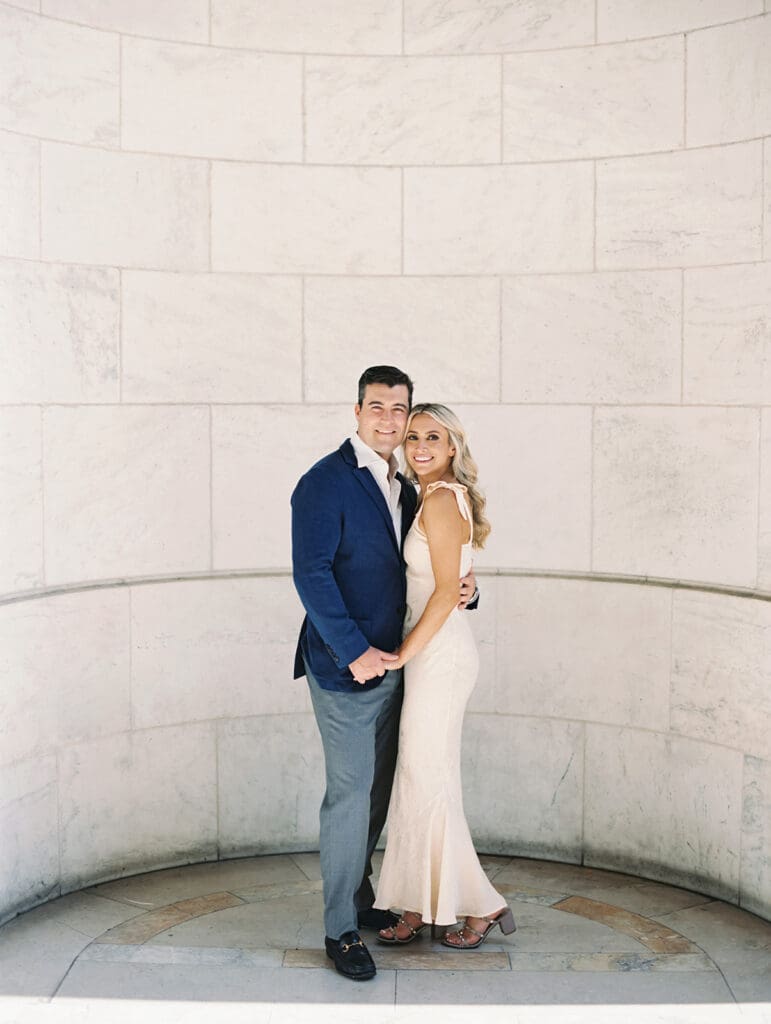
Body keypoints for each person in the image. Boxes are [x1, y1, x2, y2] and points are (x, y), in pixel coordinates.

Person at [291, 368, 477, 981]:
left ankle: (359, 899)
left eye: (401, 410)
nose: (391, 421)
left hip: (405, 662)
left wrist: (464, 592)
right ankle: (339, 929)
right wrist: (353, 651)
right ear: (357, 410)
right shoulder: (323, 483)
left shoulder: (409, 483)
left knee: (376, 793)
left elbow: (426, 570)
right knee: (348, 797)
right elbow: (312, 575)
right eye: (379, 407)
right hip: (348, 668)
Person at [373, 403, 516, 950]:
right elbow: (454, 581)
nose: (421, 446)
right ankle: (426, 904)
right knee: (424, 781)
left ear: (453, 446)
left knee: (425, 780)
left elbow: (441, 594)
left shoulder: (440, 498)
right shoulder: (431, 497)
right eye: (413, 437)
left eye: (434, 437)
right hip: (434, 651)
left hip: (439, 655)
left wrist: (405, 653)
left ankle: (471, 905)